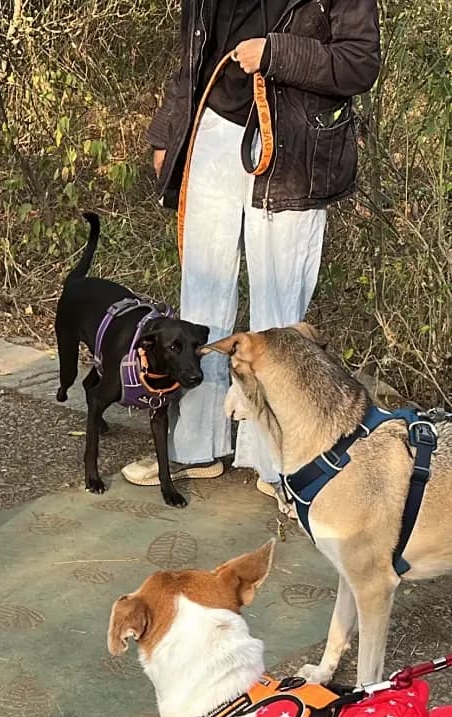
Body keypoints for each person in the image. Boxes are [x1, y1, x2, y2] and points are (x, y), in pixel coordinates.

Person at [123, 0, 380, 497]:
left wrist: (276, 54)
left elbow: (358, 62)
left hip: (295, 148)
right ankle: (194, 448)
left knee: (278, 313)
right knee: (200, 300)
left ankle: (278, 464)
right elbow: (193, 55)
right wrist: (167, 130)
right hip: (212, 133)